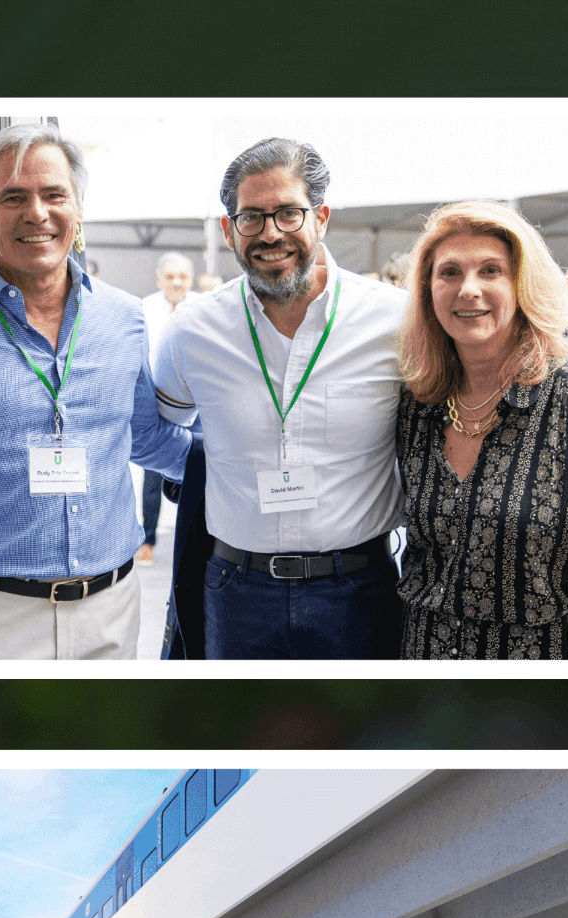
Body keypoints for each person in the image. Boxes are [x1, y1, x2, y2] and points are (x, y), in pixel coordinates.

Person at [0, 124, 189, 660]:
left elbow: (143, 435)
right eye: (13, 197)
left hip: (111, 614)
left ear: (79, 206)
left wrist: (234, 455)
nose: (36, 213)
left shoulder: (125, 318)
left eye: (53, 195)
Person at [148, 138, 410, 660]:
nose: (271, 234)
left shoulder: (397, 322)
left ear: (322, 218)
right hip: (237, 591)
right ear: (229, 230)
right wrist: (215, 467)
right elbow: (161, 425)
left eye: (289, 213)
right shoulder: (192, 331)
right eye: (251, 217)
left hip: (359, 590)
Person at [393, 200, 568, 660]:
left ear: (522, 284)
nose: (469, 289)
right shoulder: (419, 401)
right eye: (450, 272)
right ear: (427, 290)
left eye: (491, 270)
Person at [139, 252, 196, 562]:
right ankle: (147, 539)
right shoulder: (144, 309)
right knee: (153, 477)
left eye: (182, 276)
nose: (176, 282)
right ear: (159, 279)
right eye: (170, 276)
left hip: (198, 407)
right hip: (155, 404)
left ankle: (195, 542)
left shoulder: (204, 307)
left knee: (198, 472)